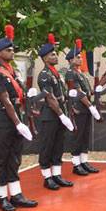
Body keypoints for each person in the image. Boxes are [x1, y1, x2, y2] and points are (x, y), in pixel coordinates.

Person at [0, 25, 38, 211]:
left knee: (15, 157)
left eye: (12, 49)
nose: (12, 51)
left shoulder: (11, 70)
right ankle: (2, 197)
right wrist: (18, 123)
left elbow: (19, 95)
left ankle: (15, 194)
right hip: (3, 121)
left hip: (16, 117)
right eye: (8, 50)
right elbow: (5, 100)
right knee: (2, 158)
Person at [37, 34, 75, 190]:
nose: (55, 56)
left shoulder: (57, 75)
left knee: (59, 145)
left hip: (60, 113)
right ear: (45, 58)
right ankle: (47, 177)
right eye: (52, 54)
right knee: (48, 146)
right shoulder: (44, 75)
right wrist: (61, 115)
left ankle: (57, 174)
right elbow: (50, 98)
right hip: (50, 115)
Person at [65, 39, 102, 176]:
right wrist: (91, 106)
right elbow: (78, 92)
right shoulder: (71, 73)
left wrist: (97, 91)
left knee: (85, 135)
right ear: (70, 60)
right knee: (78, 136)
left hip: (85, 107)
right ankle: (76, 163)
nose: (80, 59)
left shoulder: (81, 73)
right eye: (78, 57)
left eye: (80, 56)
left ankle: (84, 161)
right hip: (78, 108)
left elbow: (87, 91)